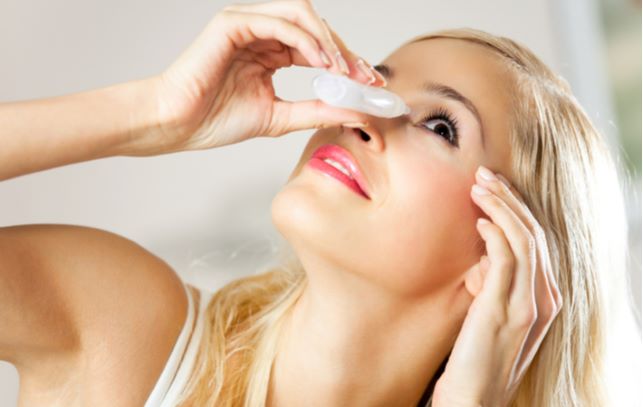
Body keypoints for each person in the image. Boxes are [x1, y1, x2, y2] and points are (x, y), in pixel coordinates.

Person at [0, 0, 637, 406]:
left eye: (441, 125)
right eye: (375, 87)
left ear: (502, 258)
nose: (359, 114)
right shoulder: (130, 332)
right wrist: (150, 115)